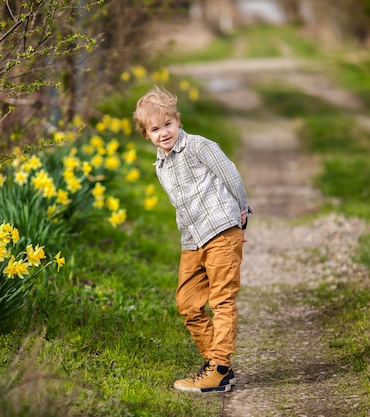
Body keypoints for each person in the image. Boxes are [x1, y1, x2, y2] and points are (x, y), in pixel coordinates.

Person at [133, 86, 251, 393]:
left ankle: (219, 368)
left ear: (178, 120)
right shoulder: (160, 166)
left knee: (221, 300)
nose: (164, 133)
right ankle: (216, 363)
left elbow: (230, 174)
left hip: (222, 230)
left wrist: (242, 212)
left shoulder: (199, 146)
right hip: (192, 239)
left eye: (168, 124)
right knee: (187, 304)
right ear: (147, 135)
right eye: (155, 129)